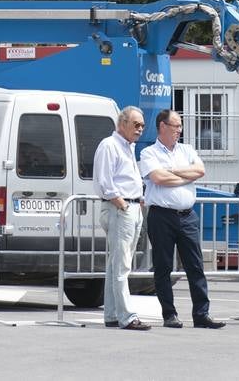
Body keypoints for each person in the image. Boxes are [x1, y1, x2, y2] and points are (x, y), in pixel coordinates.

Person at [138, 109, 226, 330]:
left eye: (180, 126)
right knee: (163, 266)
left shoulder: (187, 150)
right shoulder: (149, 153)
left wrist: (172, 172)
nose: (179, 130)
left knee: (195, 266)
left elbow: (200, 170)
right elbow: (157, 177)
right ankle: (169, 314)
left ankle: (202, 314)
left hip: (187, 216)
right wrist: (182, 177)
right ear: (162, 126)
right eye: (176, 126)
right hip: (161, 216)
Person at [92, 106, 149, 330]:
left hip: (130, 208)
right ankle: (127, 316)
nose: (140, 129)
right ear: (122, 123)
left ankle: (112, 314)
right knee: (122, 265)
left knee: (116, 263)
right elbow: (105, 181)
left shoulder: (127, 147)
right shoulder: (110, 145)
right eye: (136, 125)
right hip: (121, 209)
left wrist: (137, 200)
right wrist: (122, 204)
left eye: (142, 125)